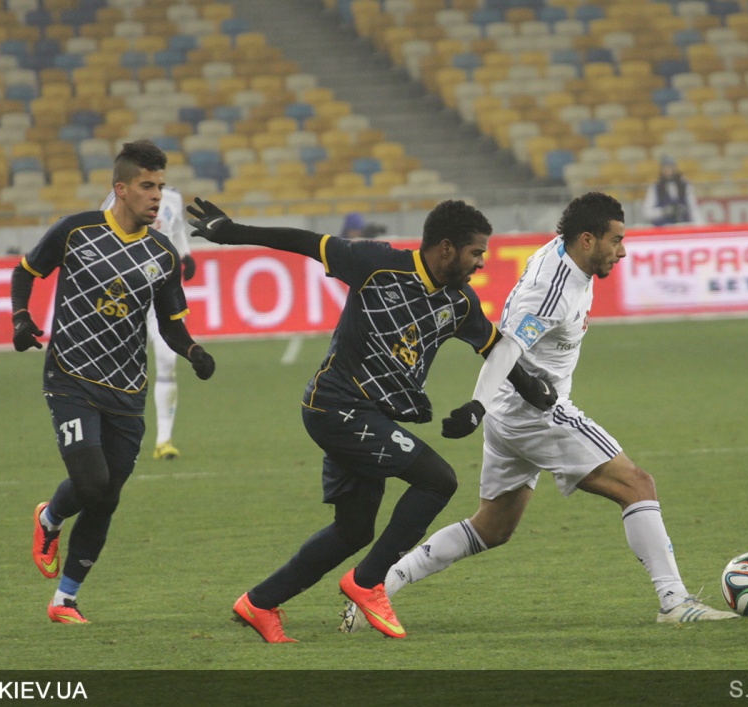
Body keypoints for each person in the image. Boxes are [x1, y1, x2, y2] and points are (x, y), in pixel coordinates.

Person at [341, 192, 737, 633]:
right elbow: (505, 348)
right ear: (587, 240)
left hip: (508, 415)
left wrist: (487, 407)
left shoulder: (564, 255)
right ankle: (674, 600)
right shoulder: (552, 291)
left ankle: (377, 585)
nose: (622, 251)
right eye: (616, 240)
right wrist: (476, 405)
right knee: (637, 484)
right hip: (537, 412)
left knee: (492, 528)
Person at [186, 198, 556, 642]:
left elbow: (495, 346)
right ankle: (369, 583)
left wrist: (528, 389)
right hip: (335, 405)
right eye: (476, 252)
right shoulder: (376, 264)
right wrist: (232, 233)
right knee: (437, 480)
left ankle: (259, 603)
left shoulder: (459, 302)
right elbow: (305, 242)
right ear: (446, 248)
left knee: (353, 531)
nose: (481, 262)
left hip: (368, 416)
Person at [13, 139, 216, 624]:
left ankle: (64, 600)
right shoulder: (76, 231)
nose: (157, 196)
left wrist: (193, 351)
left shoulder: (162, 253)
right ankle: (49, 517)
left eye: (161, 187)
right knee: (92, 483)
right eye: (147, 186)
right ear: (121, 189)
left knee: (107, 497)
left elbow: (171, 323)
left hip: (127, 390)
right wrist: (21, 317)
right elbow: (26, 272)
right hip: (70, 378)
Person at [100, 185, 197, 460]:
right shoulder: (117, 198)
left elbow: (177, 229)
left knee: (167, 361)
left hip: (162, 291)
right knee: (120, 365)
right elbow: (101, 238)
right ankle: (110, 436)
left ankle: (164, 440)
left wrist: (185, 254)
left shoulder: (173, 198)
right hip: (127, 295)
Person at [642, 156, 704, 226]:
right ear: (661, 170)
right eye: (666, 167)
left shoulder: (685, 186)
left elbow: (693, 208)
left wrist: (700, 226)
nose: (668, 170)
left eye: (671, 167)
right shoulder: (655, 188)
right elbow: (647, 213)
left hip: (683, 226)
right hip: (664, 227)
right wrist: (664, 211)